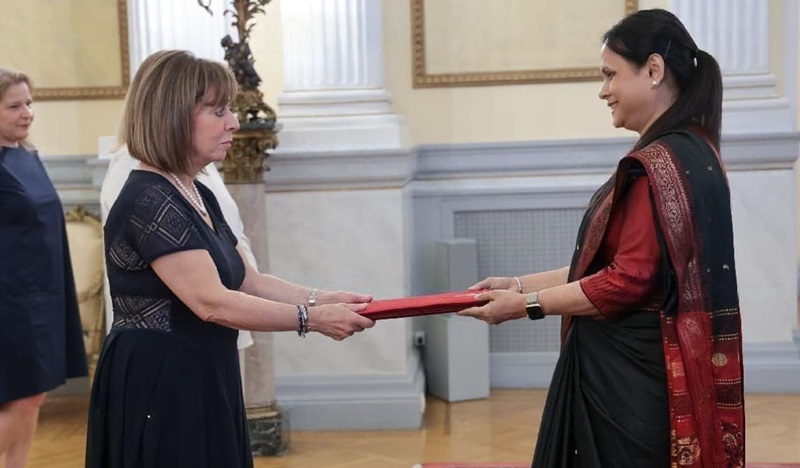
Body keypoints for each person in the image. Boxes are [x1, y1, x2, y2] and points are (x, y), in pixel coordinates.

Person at [458, 9, 744, 468]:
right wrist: (516, 284)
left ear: (653, 70)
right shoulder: (694, 150)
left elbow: (628, 281)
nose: (603, 90)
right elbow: (606, 265)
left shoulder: (660, 162)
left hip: (628, 385)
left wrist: (526, 306)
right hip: (647, 372)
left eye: (610, 74)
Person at [85, 50, 375, 468]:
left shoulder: (194, 191)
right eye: (218, 111)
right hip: (161, 378)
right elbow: (211, 302)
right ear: (173, 115)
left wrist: (323, 298)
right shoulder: (150, 199)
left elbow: (246, 279)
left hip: (199, 368)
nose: (234, 122)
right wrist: (311, 320)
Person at [0, 68, 88, 468]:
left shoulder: (28, 155)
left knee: (33, 398)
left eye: (29, 103)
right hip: (9, 299)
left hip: (46, 293)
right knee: (21, 396)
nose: (27, 112)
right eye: (14, 105)